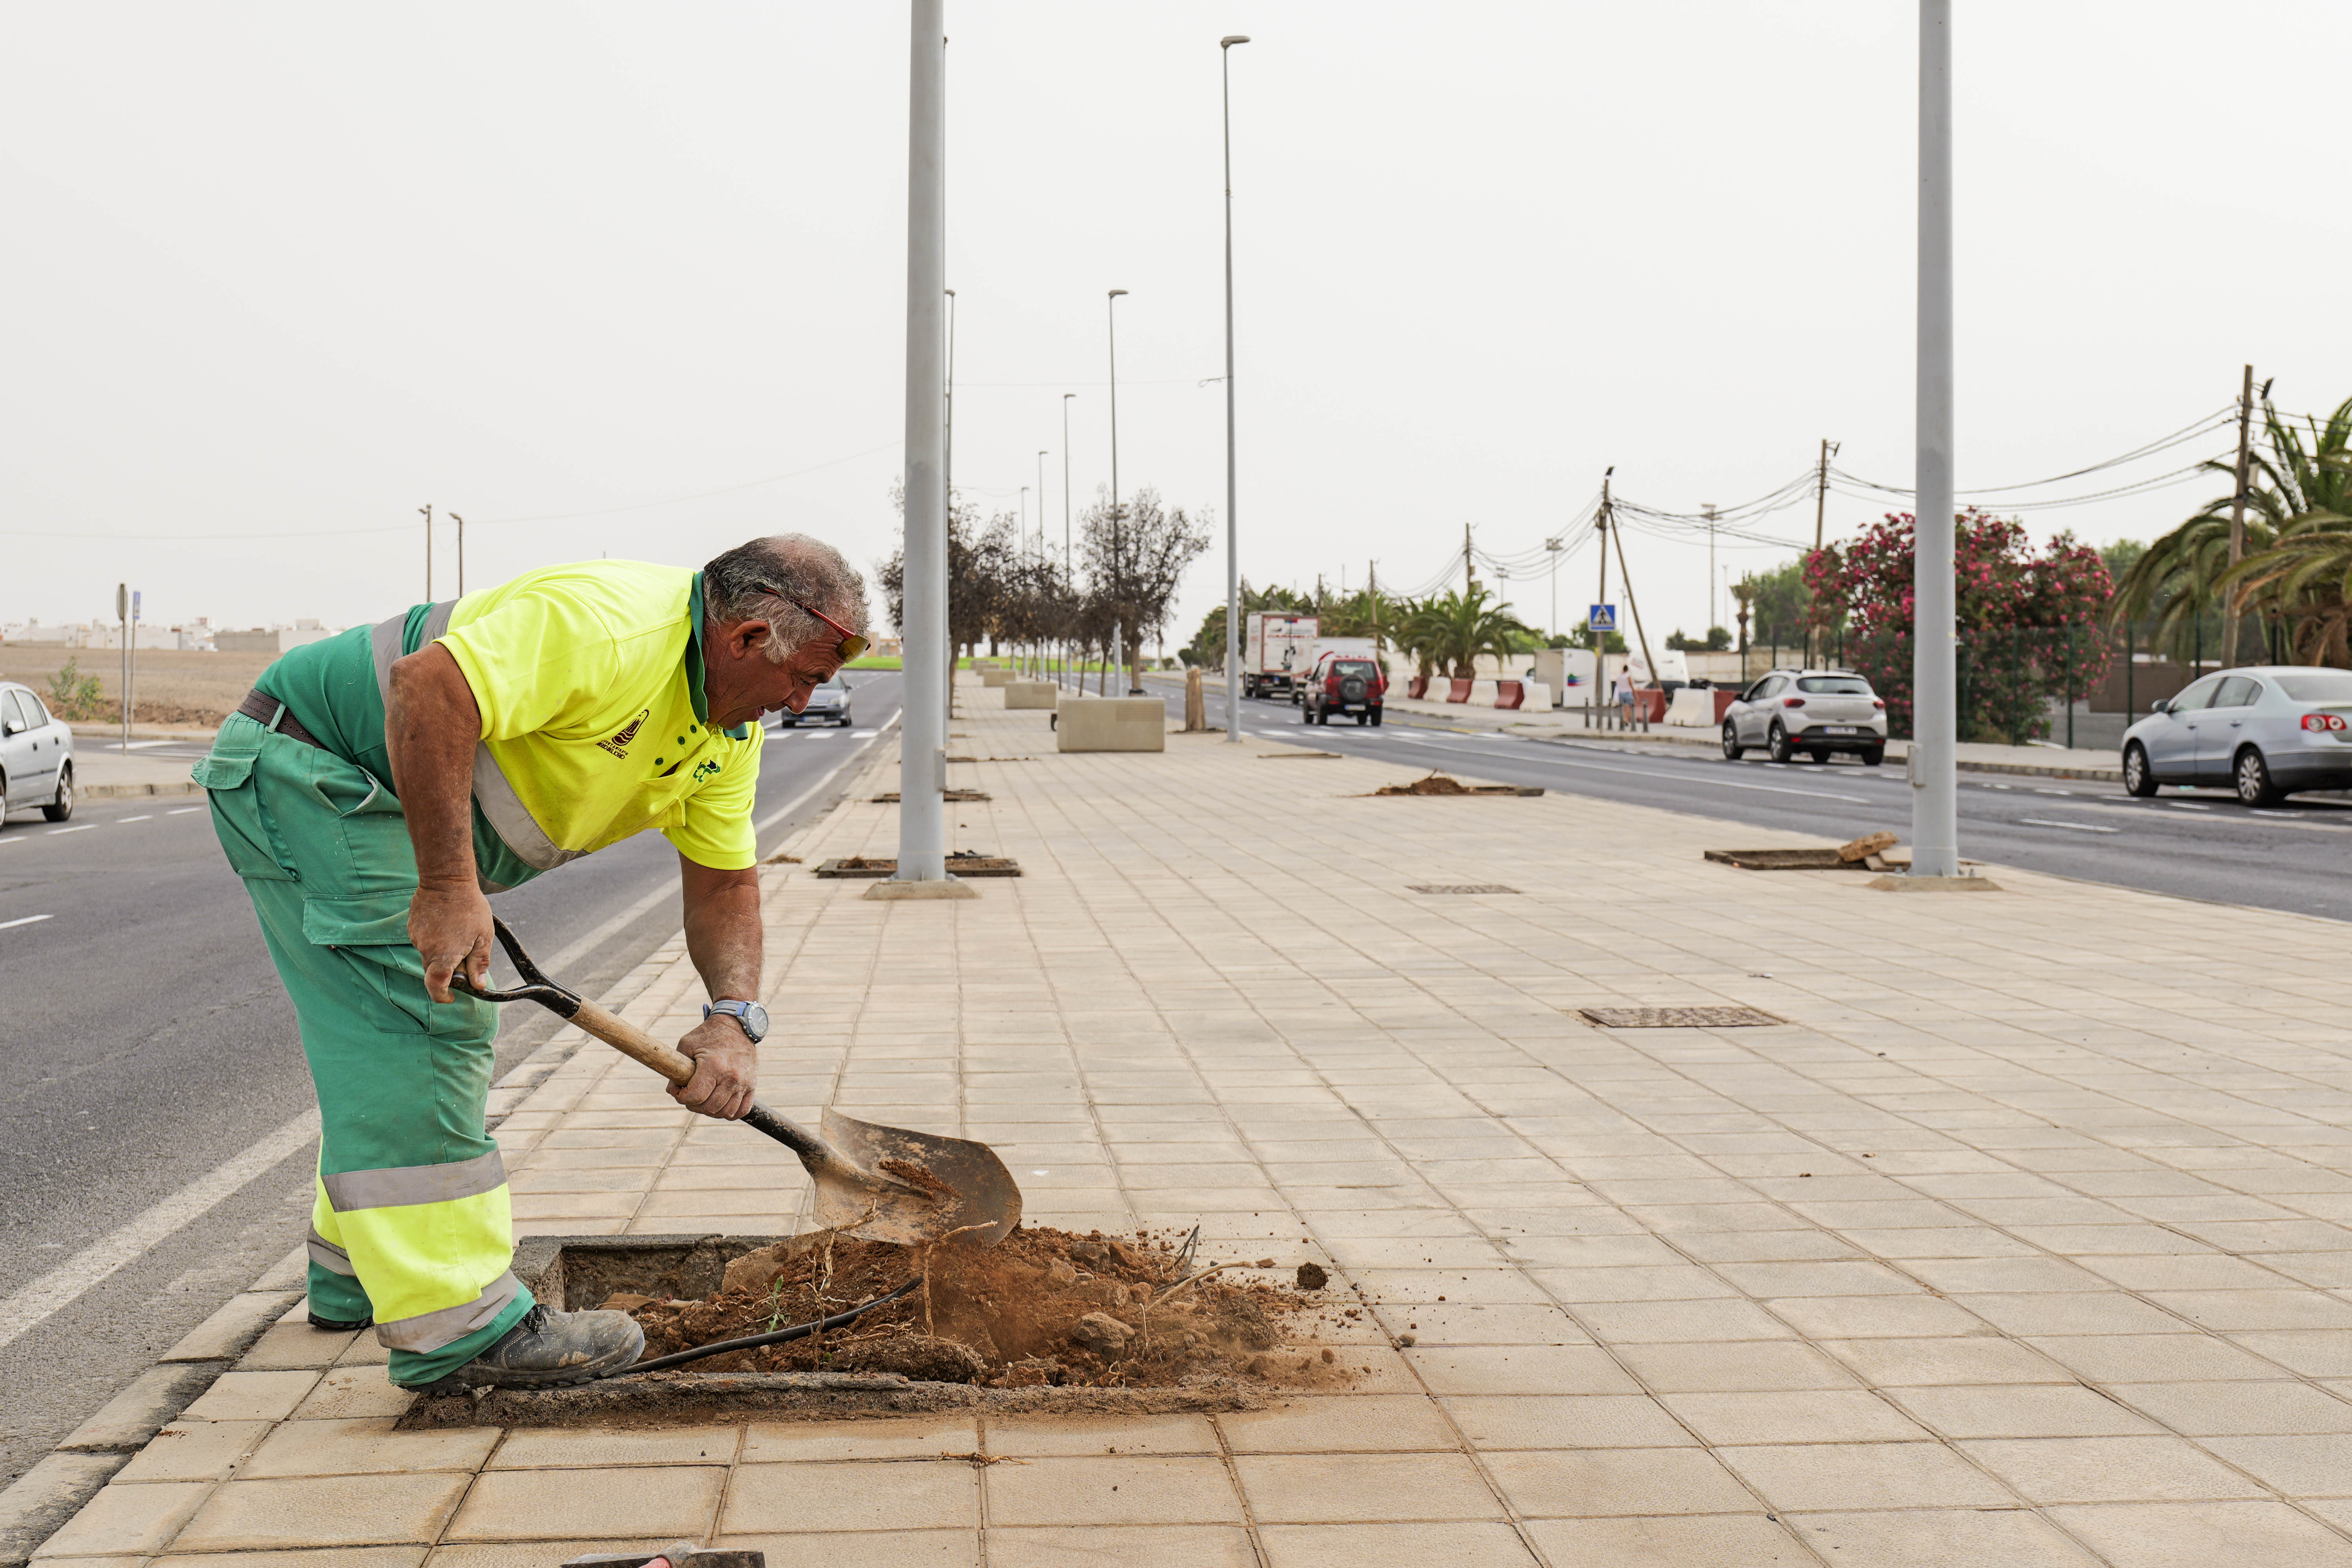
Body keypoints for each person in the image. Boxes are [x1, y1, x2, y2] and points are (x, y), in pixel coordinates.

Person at [194, 536, 868, 1393]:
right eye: (803, 678)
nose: (805, 700)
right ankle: (461, 1330)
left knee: (388, 1037)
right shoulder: (612, 630)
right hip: (323, 770)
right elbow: (428, 684)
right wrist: (446, 884)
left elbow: (727, 882)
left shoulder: (727, 737)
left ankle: (357, 1270)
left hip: (380, 795)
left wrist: (733, 1019)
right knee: (425, 1021)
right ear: (741, 639)